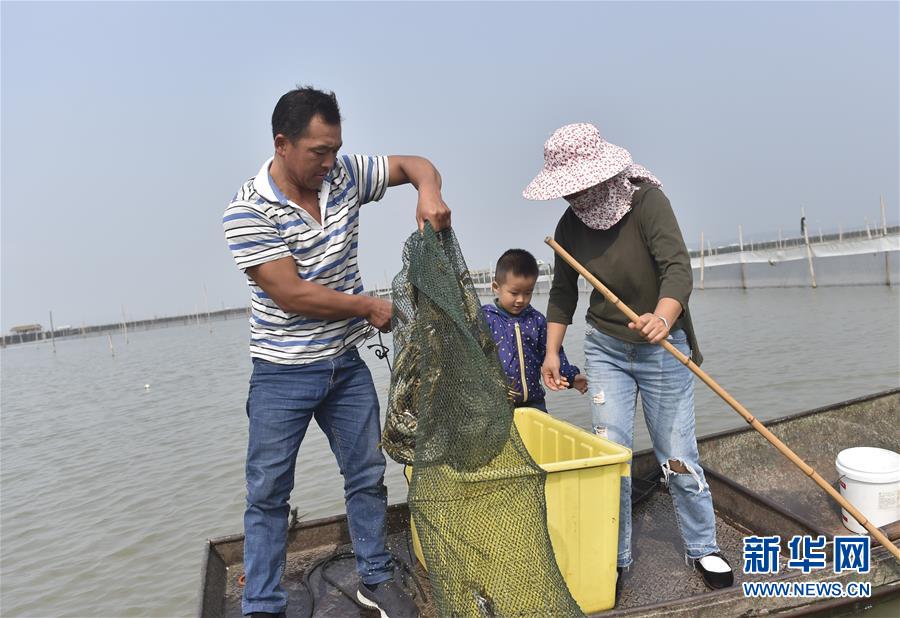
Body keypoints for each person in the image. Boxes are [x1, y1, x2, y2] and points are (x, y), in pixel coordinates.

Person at [223, 86, 450, 618]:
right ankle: (262, 603)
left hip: (345, 366)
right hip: (282, 372)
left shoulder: (343, 175)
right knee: (268, 492)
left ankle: (375, 576)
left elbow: (415, 165)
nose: (329, 162)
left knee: (367, 473)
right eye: (318, 152)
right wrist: (367, 307)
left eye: (336, 149)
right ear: (282, 144)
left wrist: (428, 193)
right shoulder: (246, 211)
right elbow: (291, 294)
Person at [523, 123, 733, 592]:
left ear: (601, 175)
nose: (572, 196)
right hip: (606, 350)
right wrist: (552, 352)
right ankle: (613, 556)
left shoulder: (647, 203)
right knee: (611, 454)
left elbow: (677, 269)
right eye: (566, 189)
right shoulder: (569, 227)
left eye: (578, 186)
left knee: (677, 456)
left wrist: (662, 316)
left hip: (662, 347)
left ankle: (703, 547)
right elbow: (562, 293)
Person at [482, 249, 587, 411]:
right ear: (496, 287)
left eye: (528, 292)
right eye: (514, 293)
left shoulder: (536, 320)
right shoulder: (485, 318)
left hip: (534, 403)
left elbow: (552, 353)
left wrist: (571, 378)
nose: (521, 299)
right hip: (496, 405)